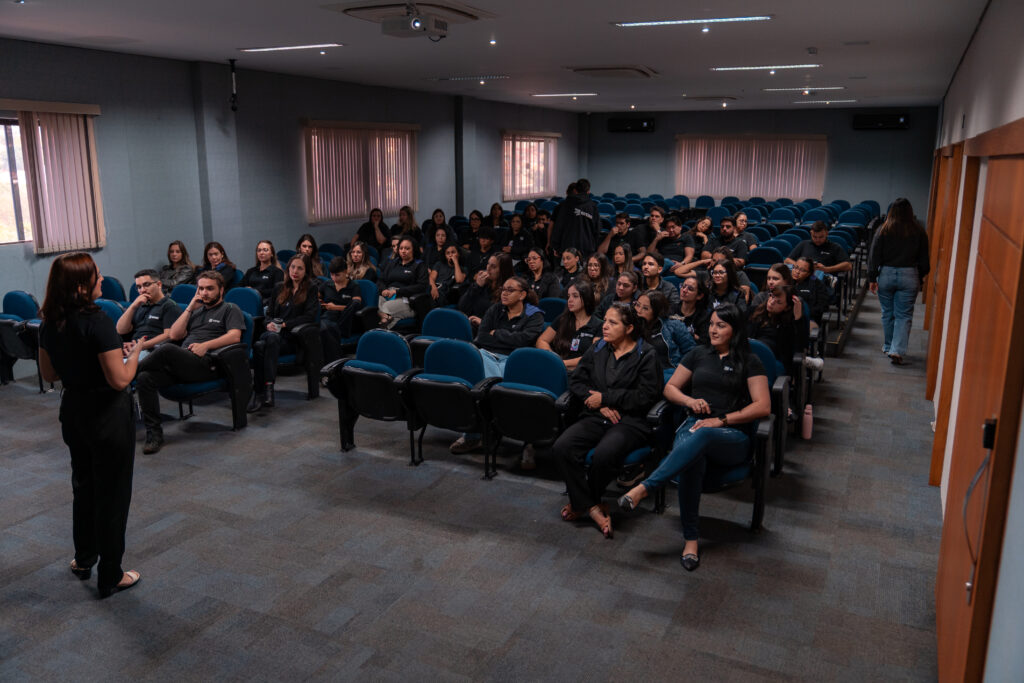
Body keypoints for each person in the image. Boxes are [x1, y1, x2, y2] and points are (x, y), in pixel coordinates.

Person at [618, 304, 771, 571]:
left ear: (735, 330)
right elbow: (670, 388)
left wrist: (720, 420)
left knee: (702, 435)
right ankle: (691, 541)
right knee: (692, 457)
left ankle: (646, 488)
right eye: (711, 323)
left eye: (721, 325)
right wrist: (691, 400)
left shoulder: (749, 360)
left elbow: (762, 406)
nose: (713, 329)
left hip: (732, 435)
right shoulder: (698, 354)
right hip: (694, 424)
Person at [37, 252, 142, 598]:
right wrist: (134, 354)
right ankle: (110, 575)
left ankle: (84, 559)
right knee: (113, 496)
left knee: (83, 487)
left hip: (75, 413)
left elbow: (50, 374)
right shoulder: (98, 321)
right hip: (108, 417)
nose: (102, 280)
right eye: (97, 276)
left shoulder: (48, 321)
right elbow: (119, 380)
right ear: (81, 286)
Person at [553, 302, 662, 538]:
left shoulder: (646, 354)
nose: (605, 326)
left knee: (604, 455)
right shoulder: (599, 348)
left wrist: (607, 397)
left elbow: (646, 396)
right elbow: (577, 382)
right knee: (562, 447)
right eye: (605, 321)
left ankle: (581, 503)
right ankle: (593, 507)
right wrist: (601, 405)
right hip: (597, 415)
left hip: (630, 421)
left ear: (629, 328)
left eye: (613, 323)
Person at [135, 270, 245, 454]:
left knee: (167, 349)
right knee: (145, 378)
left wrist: (206, 346)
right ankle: (154, 434)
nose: (204, 293)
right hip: (183, 363)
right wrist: (189, 309)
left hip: (208, 364)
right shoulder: (196, 310)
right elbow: (175, 335)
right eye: (201, 289)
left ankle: (126, 374)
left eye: (209, 289)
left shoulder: (230, 309)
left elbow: (235, 336)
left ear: (221, 290)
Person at [449, 276, 545, 455]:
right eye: (503, 289)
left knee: (493, 390)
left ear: (522, 294)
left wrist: (498, 334)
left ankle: (501, 434)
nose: (504, 293)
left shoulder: (535, 315)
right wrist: (507, 337)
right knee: (472, 378)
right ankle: (473, 435)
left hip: (514, 360)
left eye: (510, 290)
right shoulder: (495, 309)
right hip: (487, 355)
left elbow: (524, 340)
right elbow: (482, 337)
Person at [249, 254, 320, 410]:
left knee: (260, 346)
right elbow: (268, 315)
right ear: (288, 268)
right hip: (273, 334)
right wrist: (269, 324)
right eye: (293, 267)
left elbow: (309, 316)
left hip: (292, 338)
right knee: (270, 338)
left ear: (306, 271)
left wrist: (285, 325)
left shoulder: (311, 288)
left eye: (300, 268)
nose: (295, 271)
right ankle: (268, 389)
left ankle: (259, 393)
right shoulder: (279, 287)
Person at [867, 197, 930, 365]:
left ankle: (888, 346)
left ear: (891, 212)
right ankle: (897, 350)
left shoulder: (882, 230)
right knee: (904, 315)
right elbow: (925, 260)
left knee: (888, 313)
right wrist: (921, 276)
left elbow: (874, 256)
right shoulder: (919, 231)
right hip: (910, 274)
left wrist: (872, 278)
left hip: (886, 273)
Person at [115, 269, 180, 359]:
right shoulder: (139, 306)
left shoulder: (170, 306)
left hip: (152, 351)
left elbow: (168, 335)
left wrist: (140, 346)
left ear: (159, 285)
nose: (142, 290)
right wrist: (133, 306)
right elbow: (120, 330)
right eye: (138, 287)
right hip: (133, 348)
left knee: (121, 369)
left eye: (146, 285)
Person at [536, 281, 602, 371]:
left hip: (581, 372)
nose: (570, 300)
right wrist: (552, 356)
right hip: (557, 368)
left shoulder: (598, 325)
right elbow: (542, 340)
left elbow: (593, 356)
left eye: (575, 296)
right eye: (568, 296)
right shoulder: (562, 319)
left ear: (587, 299)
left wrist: (562, 363)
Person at [633, 289, 695, 370]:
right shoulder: (630, 326)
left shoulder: (674, 326)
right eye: (637, 305)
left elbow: (691, 352)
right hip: (641, 372)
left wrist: (681, 372)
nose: (639, 311)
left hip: (669, 371)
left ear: (656, 312)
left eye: (645, 308)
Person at [377, 236, 428, 329]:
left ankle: (383, 322)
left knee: (386, 308)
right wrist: (383, 289)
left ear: (413, 250)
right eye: (401, 248)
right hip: (388, 295)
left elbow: (422, 286)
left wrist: (398, 291)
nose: (403, 251)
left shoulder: (419, 265)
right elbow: (381, 280)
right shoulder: (393, 263)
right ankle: (386, 321)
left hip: (406, 299)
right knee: (373, 307)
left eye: (407, 248)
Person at [320, 256, 363, 364]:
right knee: (327, 326)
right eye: (332, 275)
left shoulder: (353, 286)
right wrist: (321, 303)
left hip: (345, 320)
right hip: (328, 317)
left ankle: (333, 363)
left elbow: (356, 305)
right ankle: (336, 362)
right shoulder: (327, 284)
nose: (334, 278)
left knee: (354, 304)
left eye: (337, 275)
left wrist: (335, 307)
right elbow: (315, 296)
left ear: (345, 272)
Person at [748, 284, 802, 368]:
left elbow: (796, 349)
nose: (772, 302)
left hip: (772, 361)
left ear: (787, 307)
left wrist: (797, 319)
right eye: (772, 296)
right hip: (748, 356)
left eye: (779, 302)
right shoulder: (753, 312)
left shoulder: (788, 325)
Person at [458, 252, 514, 324]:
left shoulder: (508, 291)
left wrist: (483, 323)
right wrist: (476, 286)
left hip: (487, 330)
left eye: (493, 266)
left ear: (503, 270)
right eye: (488, 264)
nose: (488, 268)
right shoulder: (482, 284)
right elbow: (462, 307)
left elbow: (503, 321)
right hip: (471, 324)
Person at [550, 178, 599, 256]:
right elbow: (597, 230)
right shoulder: (593, 206)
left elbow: (558, 227)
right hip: (587, 249)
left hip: (566, 249)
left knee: (566, 267)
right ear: (588, 191)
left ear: (575, 190)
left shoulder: (564, 206)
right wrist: (594, 247)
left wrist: (556, 246)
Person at [785, 221, 853, 275]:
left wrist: (827, 269)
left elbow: (848, 266)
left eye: (821, 237)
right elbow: (787, 260)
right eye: (814, 237)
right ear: (811, 233)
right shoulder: (804, 244)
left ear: (827, 233)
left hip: (823, 278)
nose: (817, 240)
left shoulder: (835, 247)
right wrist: (801, 266)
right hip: (803, 276)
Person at [240, 240, 284, 305]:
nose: (261, 253)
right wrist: (246, 290)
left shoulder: (277, 272)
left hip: (266, 303)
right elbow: (239, 286)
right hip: (249, 300)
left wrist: (255, 291)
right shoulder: (251, 271)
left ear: (272, 254)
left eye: (265, 250)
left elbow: (276, 291)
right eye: (259, 250)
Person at [792, 257, 830, 324]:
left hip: (807, 319)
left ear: (809, 273)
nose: (797, 272)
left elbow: (822, 307)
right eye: (795, 267)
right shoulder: (786, 281)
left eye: (802, 270)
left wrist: (803, 313)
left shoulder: (818, 285)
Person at [678, 274, 712, 343]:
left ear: (699, 296)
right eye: (683, 286)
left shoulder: (704, 317)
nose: (684, 290)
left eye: (690, 289)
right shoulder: (671, 309)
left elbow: (704, 341)